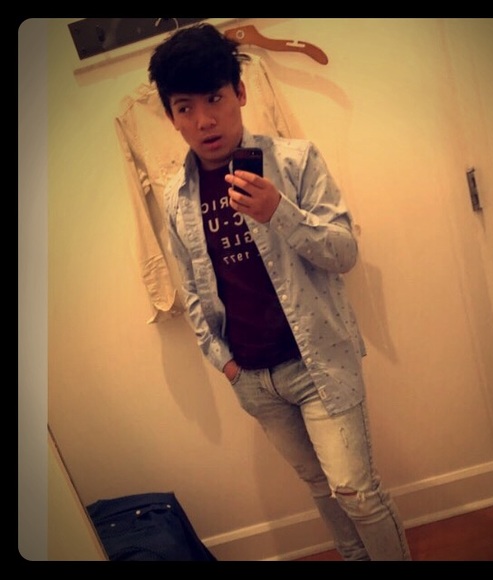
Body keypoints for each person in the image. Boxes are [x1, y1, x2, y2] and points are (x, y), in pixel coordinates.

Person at [148, 22, 411, 561]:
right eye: (185, 107)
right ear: (172, 117)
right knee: (320, 488)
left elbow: (344, 253)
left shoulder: (295, 161)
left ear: (240, 93)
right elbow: (193, 289)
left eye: (215, 98)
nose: (204, 120)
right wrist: (224, 363)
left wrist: (279, 213)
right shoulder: (176, 198)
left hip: (320, 365)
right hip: (253, 378)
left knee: (356, 493)